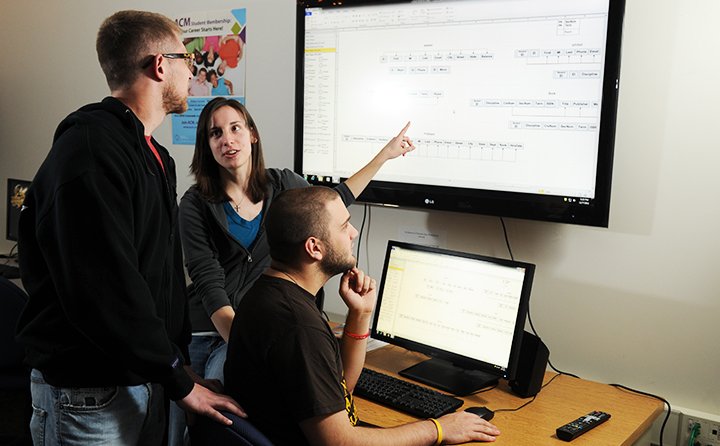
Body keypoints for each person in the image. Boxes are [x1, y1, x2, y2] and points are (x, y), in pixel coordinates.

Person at [15, 10, 244, 445]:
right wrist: (179, 380)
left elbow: (155, 278)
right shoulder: (90, 151)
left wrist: (178, 368)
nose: (192, 67)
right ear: (160, 65)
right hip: (87, 394)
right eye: (184, 57)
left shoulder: (154, 156)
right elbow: (106, 290)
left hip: (143, 379)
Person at [171, 97, 414, 444]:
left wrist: (385, 155)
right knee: (206, 414)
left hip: (257, 323)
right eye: (215, 133)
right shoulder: (195, 204)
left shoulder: (282, 185)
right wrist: (247, 341)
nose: (228, 139)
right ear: (206, 146)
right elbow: (210, 285)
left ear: (252, 134)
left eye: (236, 127)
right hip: (216, 326)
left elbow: (330, 204)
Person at [223, 186, 502, 445]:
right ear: (314, 248)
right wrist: (440, 428)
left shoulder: (270, 294)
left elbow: (341, 388)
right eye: (344, 226)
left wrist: (360, 313)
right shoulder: (298, 325)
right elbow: (340, 442)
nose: (354, 232)